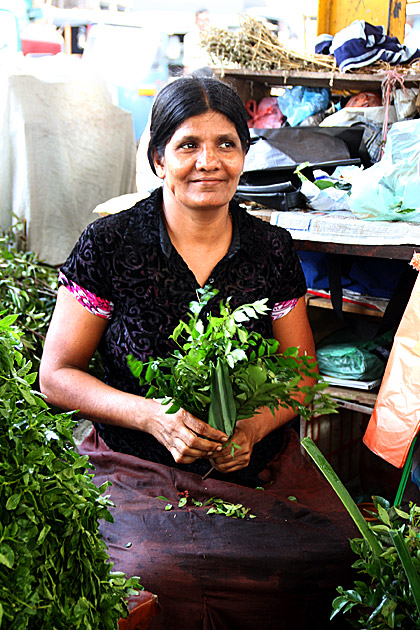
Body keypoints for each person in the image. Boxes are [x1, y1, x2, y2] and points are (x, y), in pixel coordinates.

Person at [40, 76, 356, 630]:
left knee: (342, 556)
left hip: (253, 468)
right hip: (133, 465)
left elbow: (300, 375)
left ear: (243, 156)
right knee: (160, 571)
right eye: (188, 145)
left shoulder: (271, 248)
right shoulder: (111, 243)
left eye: (226, 144)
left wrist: (253, 429)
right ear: (159, 159)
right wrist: (150, 416)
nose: (208, 161)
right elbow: (57, 376)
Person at [182, 8, 213, 75]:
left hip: (211, 74)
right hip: (194, 73)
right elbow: (187, 62)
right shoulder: (189, 37)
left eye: (206, 20)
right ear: (196, 21)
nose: (203, 23)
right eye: (200, 20)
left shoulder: (214, 38)